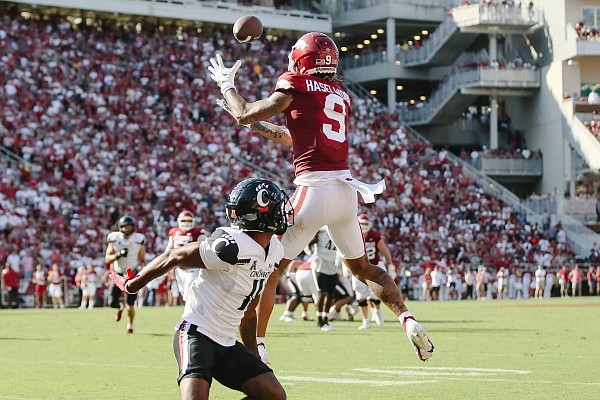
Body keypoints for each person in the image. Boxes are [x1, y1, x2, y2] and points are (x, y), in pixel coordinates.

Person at [209, 32, 434, 362]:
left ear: (300, 60)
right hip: (346, 192)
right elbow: (292, 137)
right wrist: (250, 122)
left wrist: (228, 88)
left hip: (314, 190)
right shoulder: (340, 93)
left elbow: (248, 113)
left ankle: (257, 345)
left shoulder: (295, 82)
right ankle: (407, 318)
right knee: (365, 269)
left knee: (270, 269)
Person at [108, 178, 291, 400]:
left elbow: (249, 310)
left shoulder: (275, 250)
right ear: (260, 212)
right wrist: (133, 284)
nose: (282, 211)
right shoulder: (231, 245)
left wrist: (252, 353)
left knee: (274, 395)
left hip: (227, 341)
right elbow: (176, 256)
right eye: (276, 206)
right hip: (196, 334)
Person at [105, 214, 146, 334]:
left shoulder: (138, 239)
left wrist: (143, 274)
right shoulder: (114, 238)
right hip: (118, 273)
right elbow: (107, 259)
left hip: (132, 273)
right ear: (120, 227)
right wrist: (118, 255)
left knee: (131, 302)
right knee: (112, 302)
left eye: (129, 226)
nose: (127, 228)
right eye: (125, 226)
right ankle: (119, 307)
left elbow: (142, 259)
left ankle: (130, 325)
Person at [166, 210, 206, 303]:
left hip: (193, 268)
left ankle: (189, 315)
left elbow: (204, 249)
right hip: (179, 269)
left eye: (189, 221)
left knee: (189, 292)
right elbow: (168, 249)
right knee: (183, 293)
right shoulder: (174, 232)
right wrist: (168, 267)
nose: (186, 223)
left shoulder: (198, 232)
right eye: (184, 221)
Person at [305, 227, 339, 331]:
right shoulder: (321, 230)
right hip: (320, 264)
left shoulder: (339, 230)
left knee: (331, 294)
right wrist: (312, 255)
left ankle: (325, 318)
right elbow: (306, 244)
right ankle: (320, 319)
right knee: (322, 292)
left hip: (333, 264)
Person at [278, 258, 316, 322]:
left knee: (303, 297)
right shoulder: (300, 263)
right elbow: (292, 267)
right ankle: (285, 315)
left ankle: (304, 314)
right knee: (296, 296)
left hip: (297, 280)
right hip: (290, 279)